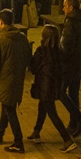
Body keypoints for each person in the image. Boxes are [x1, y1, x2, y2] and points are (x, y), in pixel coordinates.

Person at [0, 9, 32, 153]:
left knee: (9, 109)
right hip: (17, 78)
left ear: (1, 22)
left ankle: (18, 142)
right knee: (7, 104)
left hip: (4, 79)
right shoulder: (22, 38)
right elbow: (27, 57)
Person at [27, 23, 77, 151]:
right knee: (42, 108)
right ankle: (36, 132)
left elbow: (33, 68)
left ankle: (67, 139)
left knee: (52, 113)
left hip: (44, 86)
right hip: (54, 86)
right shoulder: (59, 52)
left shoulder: (41, 52)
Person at [60, 0, 81, 136]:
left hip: (71, 63)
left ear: (71, 7)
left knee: (60, 92)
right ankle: (73, 123)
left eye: (64, 6)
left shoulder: (71, 21)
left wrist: (61, 60)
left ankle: (79, 119)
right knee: (73, 92)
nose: (63, 8)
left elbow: (67, 44)